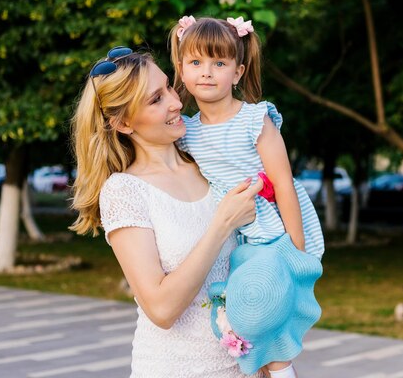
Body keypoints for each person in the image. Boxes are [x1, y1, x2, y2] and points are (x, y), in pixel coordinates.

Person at [69, 46, 266, 378]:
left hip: (245, 367)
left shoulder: (209, 163)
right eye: (155, 99)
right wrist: (221, 225)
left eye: (169, 87)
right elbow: (161, 309)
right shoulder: (125, 191)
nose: (176, 102)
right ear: (123, 123)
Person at [169, 16, 324, 378]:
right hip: (234, 235)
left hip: (271, 229)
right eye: (196, 63)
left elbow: (283, 183)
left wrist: (295, 250)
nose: (206, 72)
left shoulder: (255, 119)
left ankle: (283, 371)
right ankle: (269, 368)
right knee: (244, 318)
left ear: (237, 73)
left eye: (219, 64)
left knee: (261, 306)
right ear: (181, 69)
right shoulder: (185, 131)